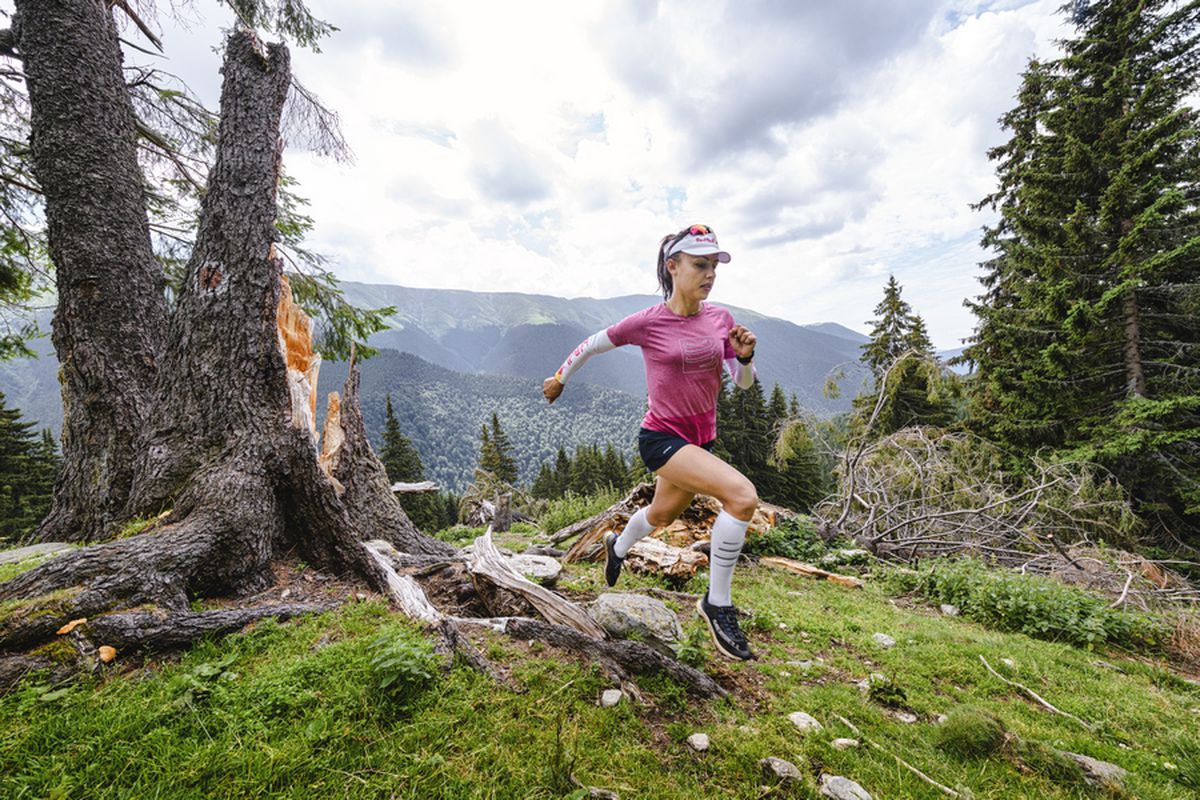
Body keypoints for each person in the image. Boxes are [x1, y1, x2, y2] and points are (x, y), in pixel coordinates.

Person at [543, 224, 760, 660]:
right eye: (701, 264)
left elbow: (743, 383)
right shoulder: (648, 322)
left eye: (714, 265)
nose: (710, 273)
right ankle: (717, 604)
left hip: (701, 442)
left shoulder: (720, 319)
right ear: (673, 266)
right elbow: (591, 344)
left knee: (661, 514)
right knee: (742, 497)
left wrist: (745, 358)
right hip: (661, 439)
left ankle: (617, 546)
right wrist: (560, 378)